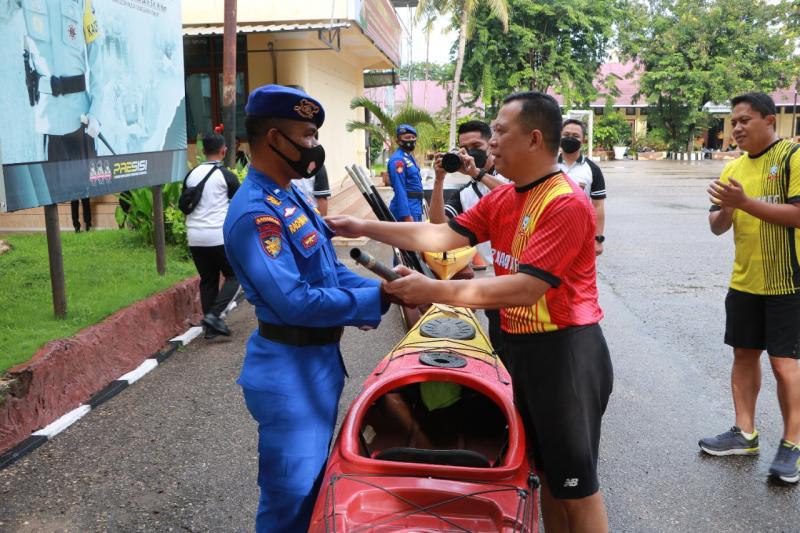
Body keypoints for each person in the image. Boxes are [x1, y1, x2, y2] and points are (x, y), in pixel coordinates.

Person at [327, 91, 613, 532]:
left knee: (577, 487)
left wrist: (434, 289)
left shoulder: (564, 202)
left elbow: (526, 288)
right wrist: (362, 226)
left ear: (535, 138)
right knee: (549, 478)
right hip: (521, 350)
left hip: (565, 355)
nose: (490, 141)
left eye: (500, 130)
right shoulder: (508, 198)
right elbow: (441, 236)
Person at [222, 84, 392, 532]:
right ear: (275, 138)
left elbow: (329, 273)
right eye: (307, 135)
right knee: (290, 499)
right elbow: (293, 300)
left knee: (316, 483)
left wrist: (387, 286)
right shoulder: (255, 213)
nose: (314, 146)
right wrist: (377, 299)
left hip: (318, 364)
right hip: (289, 372)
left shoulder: (290, 194)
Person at [701, 92, 800, 484]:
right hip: (744, 280)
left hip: (787, 280)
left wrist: (744, 201)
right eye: (734, 121)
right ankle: (745, 433)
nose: (737, 127)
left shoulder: (792, 158)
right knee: (744, 355)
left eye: (745, 120)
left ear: (770, 121)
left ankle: (792, 444)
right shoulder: (733, 169)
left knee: (784, 364)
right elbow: (716, 226)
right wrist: (728, 207)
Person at [1, 0, 105, 230]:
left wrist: (97, 110)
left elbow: (98, 54)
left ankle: (85, 223)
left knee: (84, 180)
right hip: (46, 117)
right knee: (50, 188)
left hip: (81, 116)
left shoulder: (83, 2)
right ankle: (71, 226)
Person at [428, 119, 511, 358]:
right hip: (496, 283)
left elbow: (515, 199)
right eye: (466, 147)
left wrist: (477, 173)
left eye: (477, 144)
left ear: (491, 144)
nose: (472, 150)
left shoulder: (511, 175)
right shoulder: (465, 194)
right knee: (501, 348)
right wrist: (439, 179)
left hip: (526, 280)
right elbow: (438, 225)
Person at [185, 131, 241, 339]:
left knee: (208, 280)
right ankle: (214, 316)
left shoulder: (191, 175)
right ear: (223, 151)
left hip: (195, 237)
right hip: (217, 236)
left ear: (202, 151)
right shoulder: (226, 176)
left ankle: (210, 329)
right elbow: (240, 206)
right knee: (235, 275)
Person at [558, 119, 607, 255]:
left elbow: (598, 206)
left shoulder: (593, 170)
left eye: (575, 136)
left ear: (583, 140)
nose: (570, 139)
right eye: (566, 135)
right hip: (550, 232)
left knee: (579, 275)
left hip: (581, 235)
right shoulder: (547, 165)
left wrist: (598, 239)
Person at [387, 124, 424, 222]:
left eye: (413, 137)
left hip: (415, 205)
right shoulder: (398, 160)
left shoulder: (408, 157)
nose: (411, 140)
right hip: (408, 208)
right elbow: (399, 188)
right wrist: (406, 215)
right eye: (407, 137)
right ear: (398, 141)